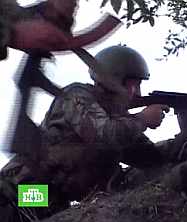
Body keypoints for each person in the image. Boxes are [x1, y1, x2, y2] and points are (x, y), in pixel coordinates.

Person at [0, 45, 170, 221]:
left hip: (50, 203)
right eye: (135, 84)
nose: (138, 93)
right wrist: (142, 119)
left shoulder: (120, 121)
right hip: (18, 192)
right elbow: (105, 134)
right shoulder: (76, 97)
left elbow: (153, 157)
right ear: (114, 80)